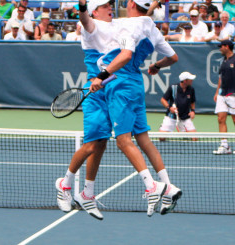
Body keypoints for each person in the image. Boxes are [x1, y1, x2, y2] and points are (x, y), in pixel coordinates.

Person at [56, 0, 181, 219]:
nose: (110, 8)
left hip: (109, 85)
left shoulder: (118, 25)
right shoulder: (93, 26)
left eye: (111, 5)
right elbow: (85, 20)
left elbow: (140, 20)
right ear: (96, 11)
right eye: (105, 6)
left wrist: (151, 7)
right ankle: (65, 183)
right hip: (95, 87)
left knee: (102, 144)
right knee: (91, 144)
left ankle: (87, 193)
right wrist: (82, 7)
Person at [213, 40, 235, 155]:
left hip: (234, 95)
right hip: (222, 95)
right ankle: (224, 145)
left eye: (221, 47)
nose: (220, 49)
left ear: (227, 47)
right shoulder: (224, 61)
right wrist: (217, 92)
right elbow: (221, 78)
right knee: (221, 119)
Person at [159, 72, 197, 139]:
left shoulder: (191, 89)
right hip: (171, 117)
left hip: (185, 118)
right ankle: (163, 127)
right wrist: (169, 107)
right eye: (190, 79)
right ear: (185, 81)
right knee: (161, 137)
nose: (192, 80)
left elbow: (192, 102)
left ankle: (183, 129)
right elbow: (163, 100)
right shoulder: (173, 88)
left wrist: (193, 111)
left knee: (195, 138)